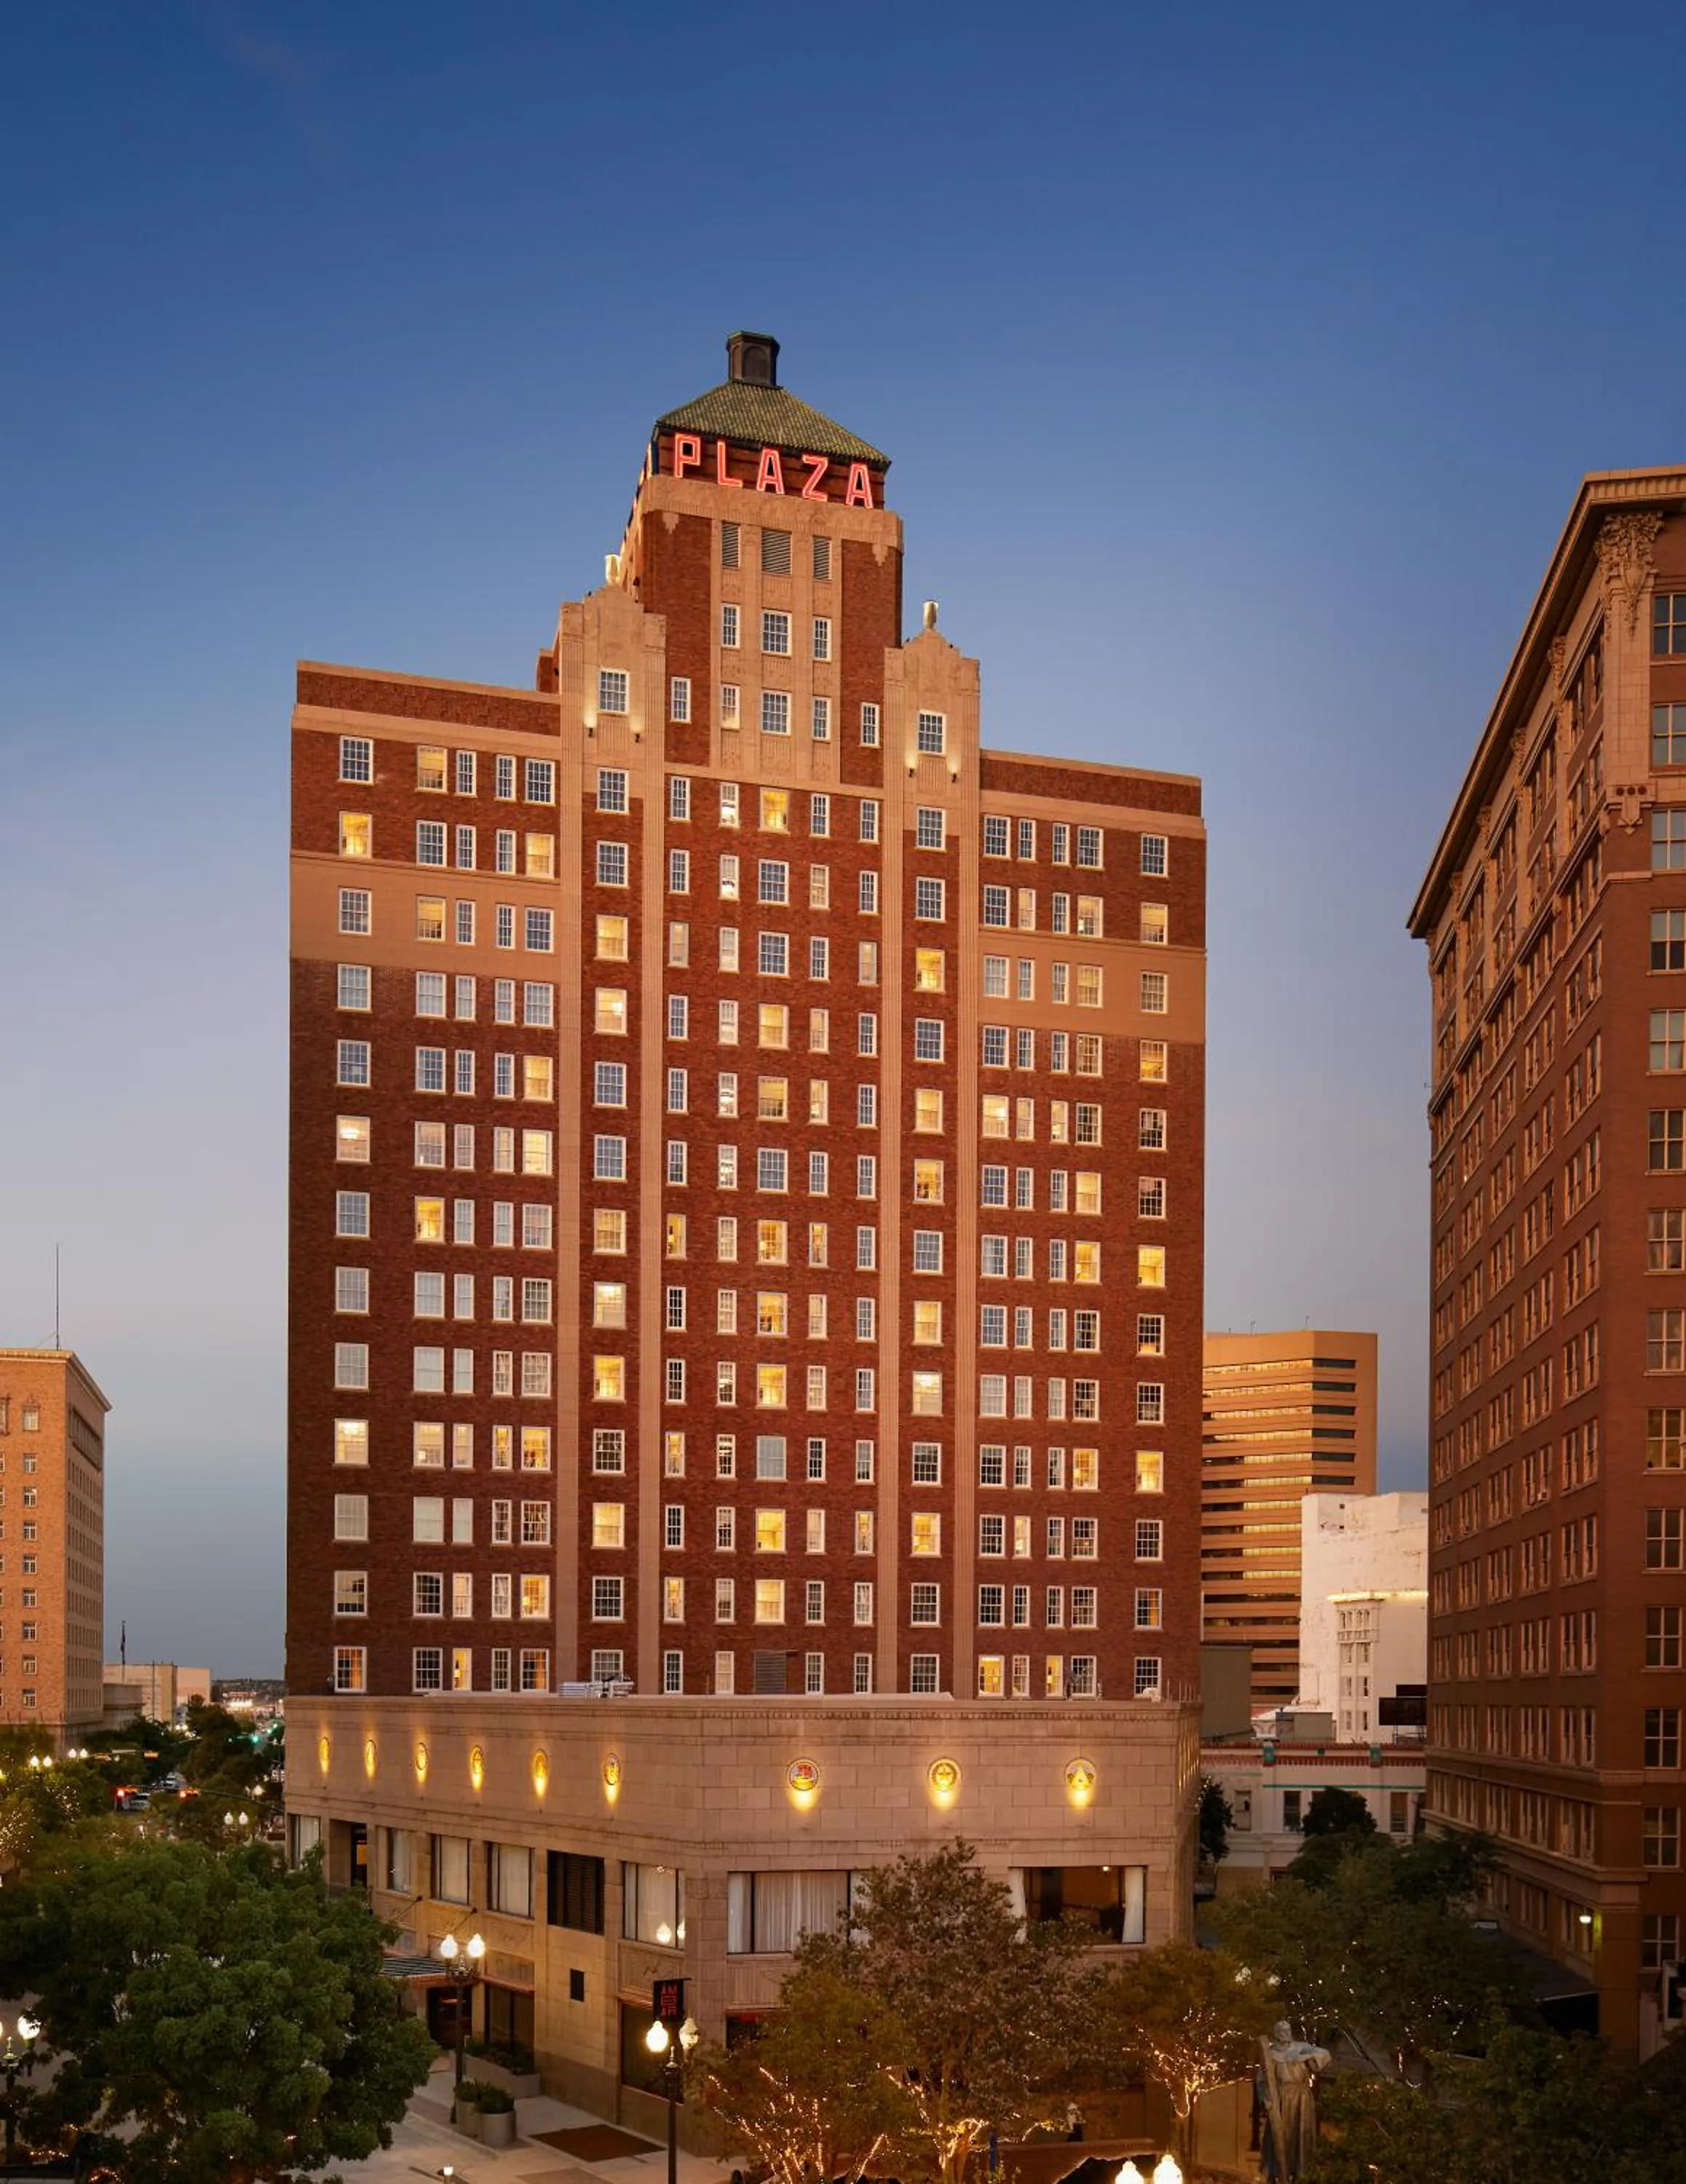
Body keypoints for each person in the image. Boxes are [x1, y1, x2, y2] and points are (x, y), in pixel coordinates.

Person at [1258, 2020, 1330, 2182]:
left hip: (1301, 2099)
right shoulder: (1269, 2054)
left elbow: (1324, 2055)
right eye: (1282, 2031)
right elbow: (1262, 2080)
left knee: (1301, 2136)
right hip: (1280, 2099)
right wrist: (1268, 2099)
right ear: (1276, 2033)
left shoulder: (1301, 2047)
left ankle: (1301, 2174)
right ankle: (1276, 2175)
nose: (1286, 2033)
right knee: (1279, 2137)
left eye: (1287, 2030)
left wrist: (1304, 2056)